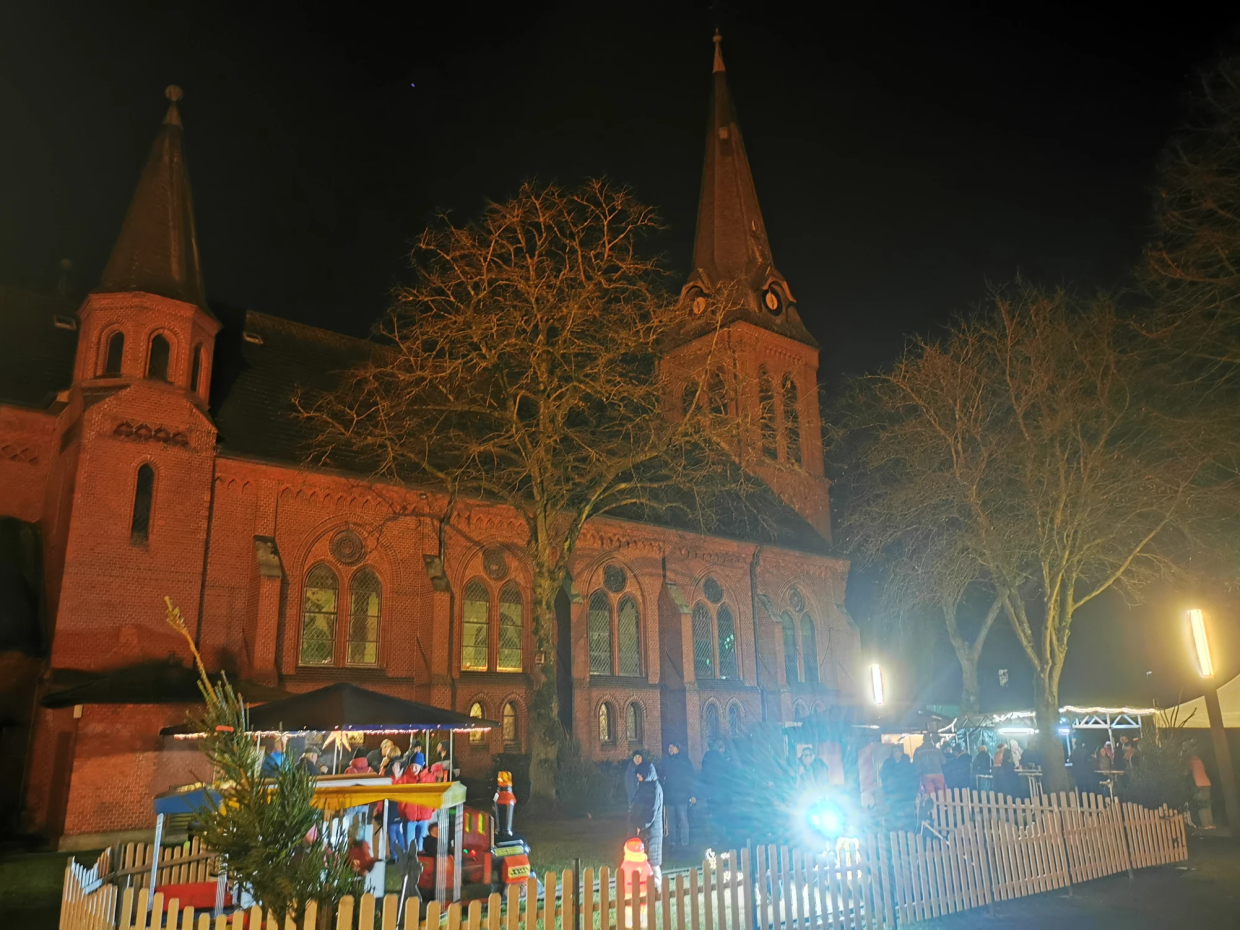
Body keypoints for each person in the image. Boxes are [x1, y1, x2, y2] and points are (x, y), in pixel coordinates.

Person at [628, 760, 664, 886]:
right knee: (647, 862)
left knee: (653, 863)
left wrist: (640, 825)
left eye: (640, 774)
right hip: (646, 832)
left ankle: (657, 889)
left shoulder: (654, 789)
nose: (638, 776)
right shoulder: (645, 787)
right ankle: (647, 888)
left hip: (652, 832)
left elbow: (651, 812)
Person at [660, 742, 696, 850]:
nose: (670, 749)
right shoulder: (665, 762)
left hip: (681, 796)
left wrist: (693, 794)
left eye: (672, 747)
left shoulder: (684, 761)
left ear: (677, 748)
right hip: (669, 797)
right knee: (670, 821)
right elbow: (661, 776)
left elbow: (691, 778)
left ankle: (685, 842)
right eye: (669, 747)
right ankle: (672, 842)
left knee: (683, 819)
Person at [1189, 754, 1214, 828]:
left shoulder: (1192, 763)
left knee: (1204, 804)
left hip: (1200, 784)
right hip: (1204, 783)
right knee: (1205, 804)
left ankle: (1207, 823)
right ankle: (1207, 823)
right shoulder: (1198, 762)